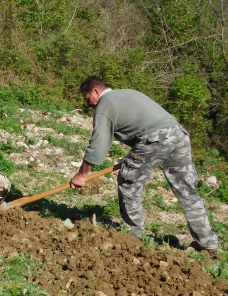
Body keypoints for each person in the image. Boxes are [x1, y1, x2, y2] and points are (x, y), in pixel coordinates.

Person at [70, 76, 219, 253]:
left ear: (95, 91)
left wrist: (82, 174)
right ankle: (208, 242)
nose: (89, 104)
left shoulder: (105, 104)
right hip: (178, 134)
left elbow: (98, 144)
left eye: (88, 99)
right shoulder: (127, 93)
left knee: (128, 182)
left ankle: (134, 237)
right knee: (187, 191)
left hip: (155, 139)